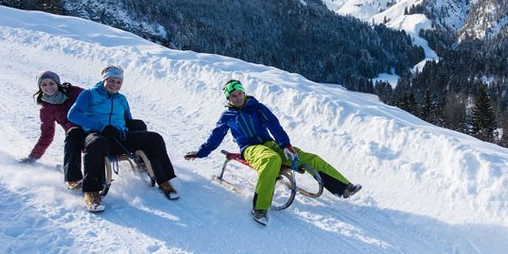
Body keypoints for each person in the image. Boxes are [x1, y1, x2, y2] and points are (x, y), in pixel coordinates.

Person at [184, 79, 361, 226]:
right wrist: (201, 153)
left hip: (270, 143)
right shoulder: (227, 116)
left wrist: (286, 145)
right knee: (271, 160)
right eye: (232, 96)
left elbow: (274, 126)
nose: (237, 98)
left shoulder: (258, 107)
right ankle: (260, 208)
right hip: (250, 149)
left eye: (239, 93)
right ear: (228, 99)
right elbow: (215, 137)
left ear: (243, 92)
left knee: (308, 157)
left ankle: (344, 187)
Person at [68, 65, 179, 212]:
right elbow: (73, 115)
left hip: (119, 136)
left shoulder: (121, 99)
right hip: (97, 134)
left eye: (118, 82)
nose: (115, 85)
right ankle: (92, 192)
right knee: (96, 143)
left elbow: (129, 119)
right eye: (111, 81)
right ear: (104, 80)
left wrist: (132, 132)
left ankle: (164, 181)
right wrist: (100, 127)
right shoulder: (89, 94)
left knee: (154, 138)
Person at [20, 71, 86, 189]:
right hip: (76, 137)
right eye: (44, 85)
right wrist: (33, 157)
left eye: (51, 83)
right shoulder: (46, 110)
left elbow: (95, 99)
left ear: (58, 83)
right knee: (73, 135)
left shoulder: (75, 92)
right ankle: (73, 179)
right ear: (40, 87)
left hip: (93, 126)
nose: (48, 87)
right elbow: (47, 135)